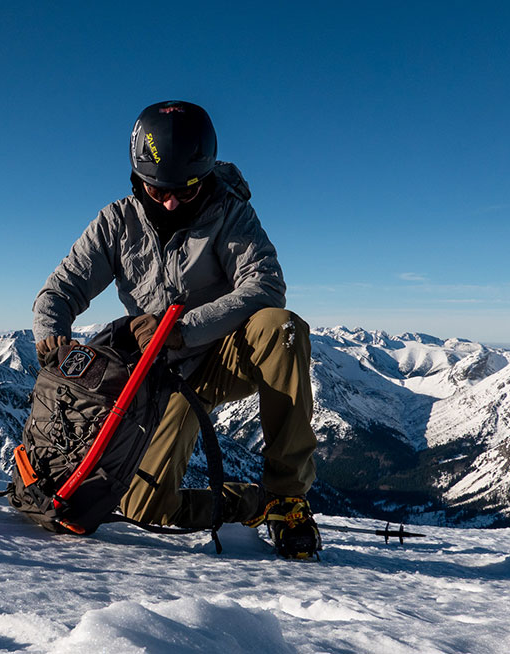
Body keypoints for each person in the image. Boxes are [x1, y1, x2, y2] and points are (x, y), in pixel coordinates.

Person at [32, 100, 320, 559]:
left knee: (280, 329)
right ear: (137, 179)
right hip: (161, 379)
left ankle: (287, 497)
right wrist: (51, 333)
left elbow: (265, 286)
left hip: (223, 354)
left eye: (186, 192)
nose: (169, 201)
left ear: (204, 176)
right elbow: (60, 290)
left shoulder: (230, 214)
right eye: (157, 189)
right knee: (145, 506)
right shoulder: (116, 222)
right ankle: (253, 503)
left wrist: (183, 329)